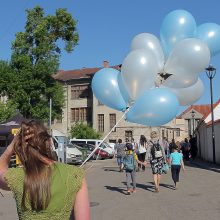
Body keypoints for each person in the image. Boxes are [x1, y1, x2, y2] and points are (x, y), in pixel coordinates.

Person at [0, 120, 90, 220]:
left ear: (20, 147)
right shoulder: (75, 175)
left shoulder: (16, 177)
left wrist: (11, 147)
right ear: (50, 142)